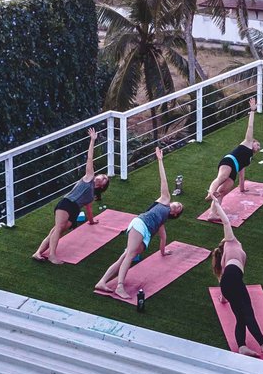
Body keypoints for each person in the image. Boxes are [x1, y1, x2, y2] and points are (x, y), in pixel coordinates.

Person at [94, 146, 183, 300]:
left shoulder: (162, 222)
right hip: (140, 223)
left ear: (175, 214)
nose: (178, 204)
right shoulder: (164, 200)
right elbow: (163, 180)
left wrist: (164, 252)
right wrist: (160, 160)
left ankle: (102, 282)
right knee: (129, 255)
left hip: (145, 234)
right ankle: (120, 287)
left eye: (180, 208)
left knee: (124, 257)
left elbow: (163, 239)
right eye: (178, 203)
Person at [209, 198, 263, 357]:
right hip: (233, 280)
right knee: (248, 313)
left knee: (241, 317)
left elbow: (224, 282)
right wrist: (216, 203)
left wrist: (223, 297)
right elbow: (226, 223)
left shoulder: (225, 258)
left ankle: (242, 347)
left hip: (230, 283)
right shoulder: (231, 243)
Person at [33, 128, 110, 263]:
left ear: (103, 186)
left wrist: (92, 221)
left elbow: (89, 208)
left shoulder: (92, 194)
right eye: (102, 175)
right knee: (57, 229)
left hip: (74, 211)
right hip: (67, 203)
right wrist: (92, 140)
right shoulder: (89, 177)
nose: (101, 176)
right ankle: (52, 255)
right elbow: (90, 158)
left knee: (56, 231)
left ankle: (38, 252)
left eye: (104, 178)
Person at [207, 99, 260, 202]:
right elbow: (250, 126)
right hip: (229, 161)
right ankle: (210, 192)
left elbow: (241, 174)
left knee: (223, 191)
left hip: (234, 170)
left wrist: (242, 188)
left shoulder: (249, 158)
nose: (258, 147)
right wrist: (252, 111)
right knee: (222, 177)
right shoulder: (248, 141)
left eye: (259, 147)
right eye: (257, 144)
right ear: (252, 142)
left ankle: (213, 213)